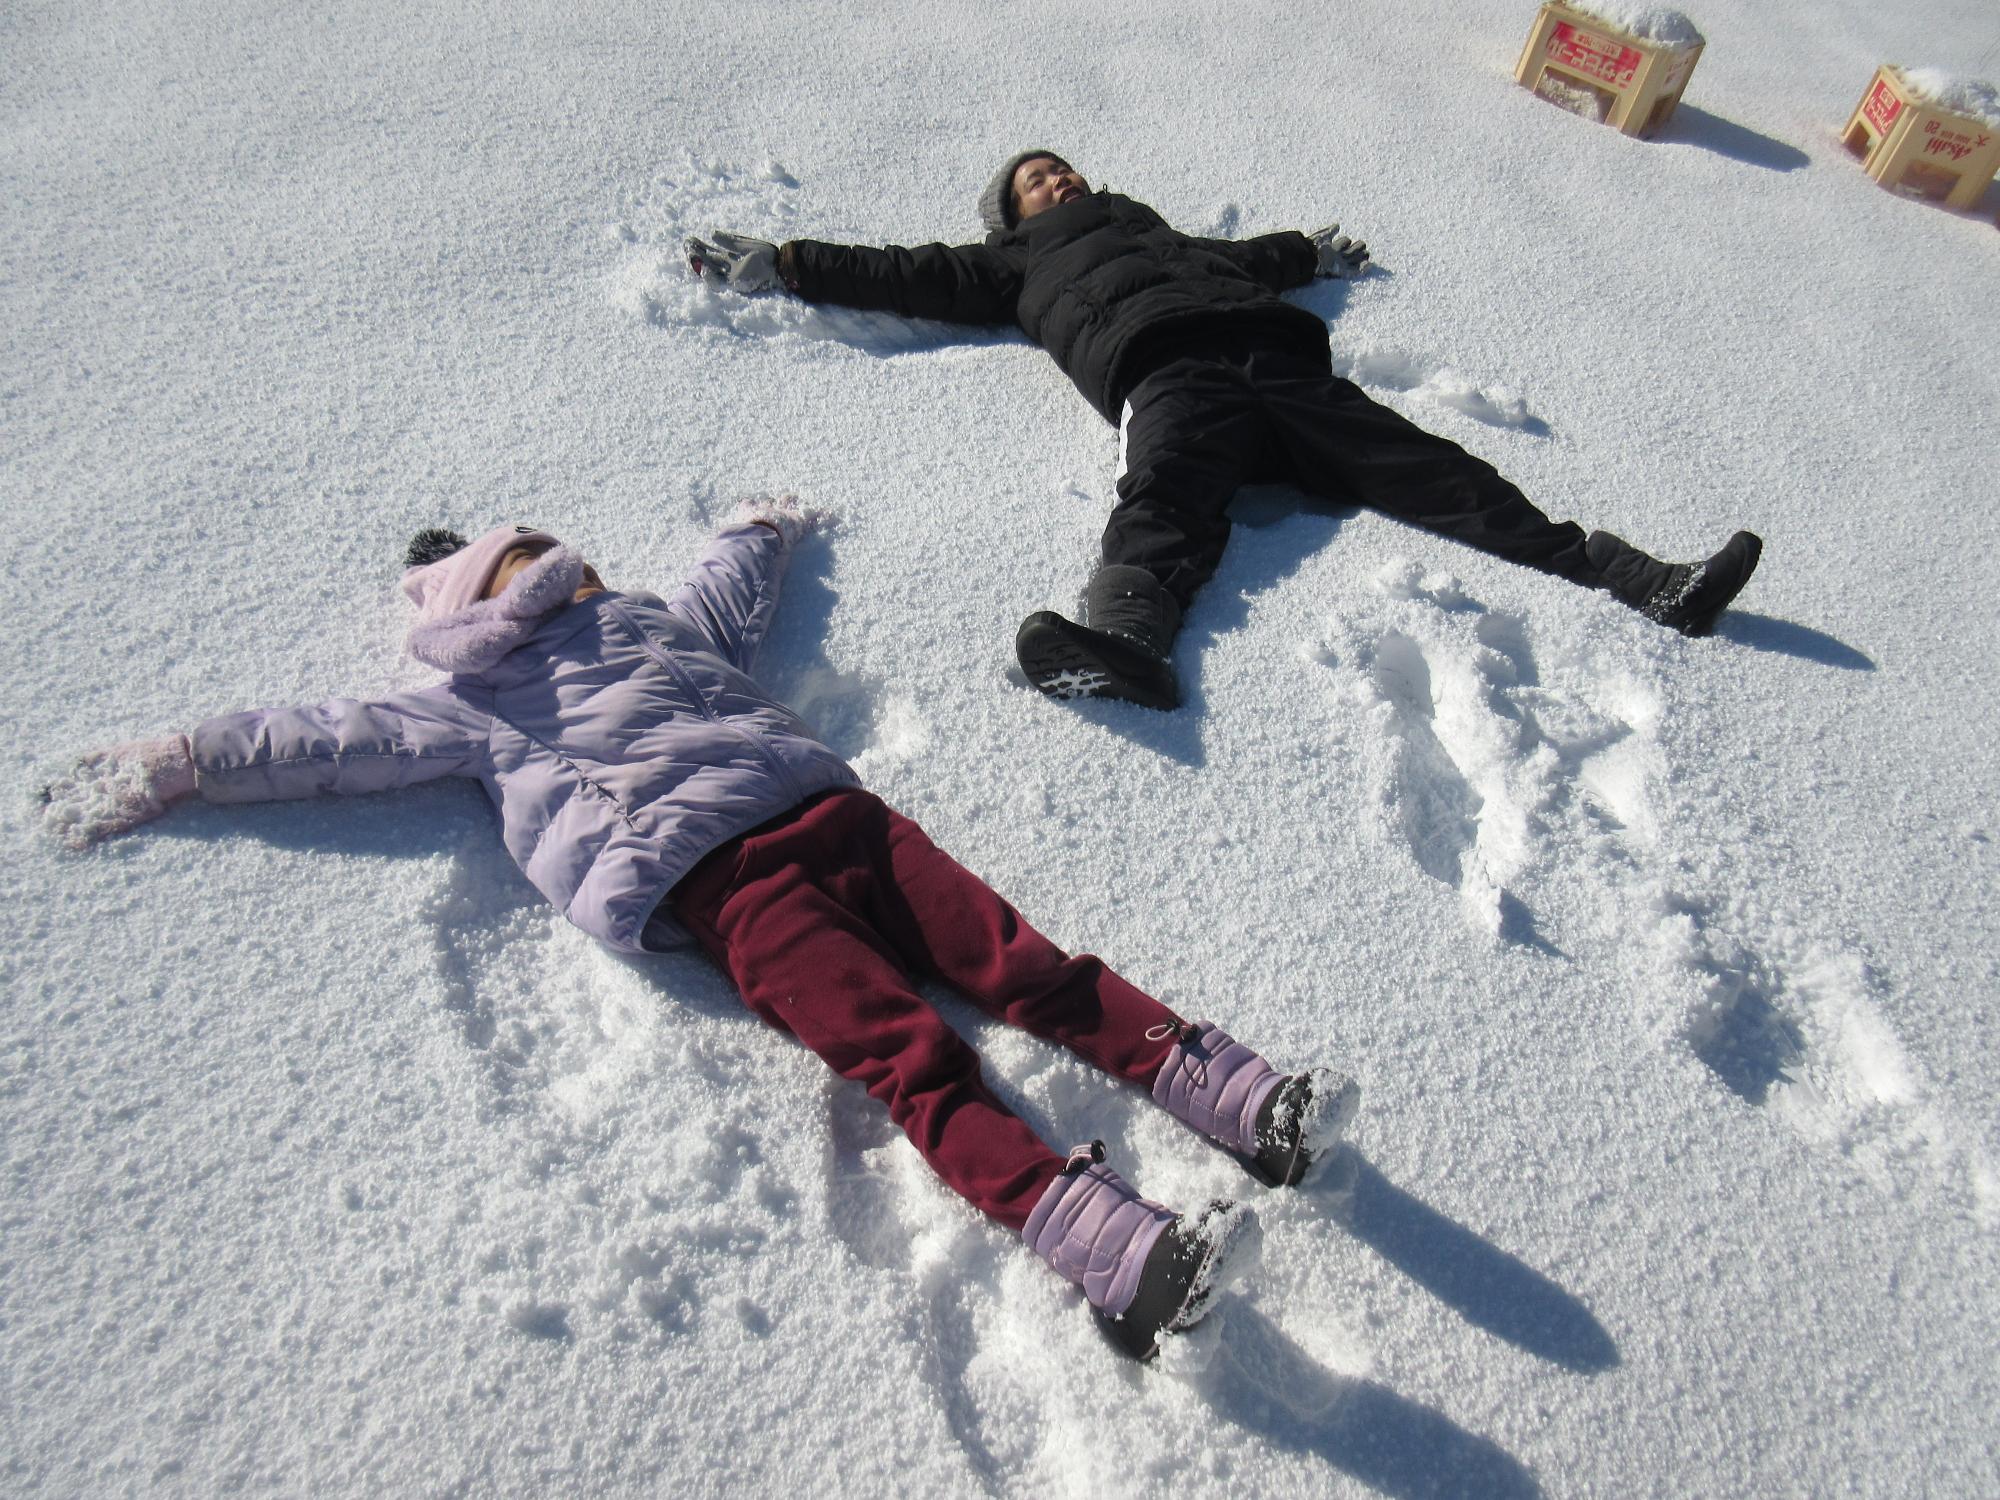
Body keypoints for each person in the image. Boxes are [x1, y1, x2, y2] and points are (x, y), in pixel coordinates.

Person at [39, 500, 1358, 1361]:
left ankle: (1245, 1103)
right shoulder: (470, 697)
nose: (565, 564)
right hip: (731, 889)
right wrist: (189, 759)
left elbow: (727, 598)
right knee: (914, 1059)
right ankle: (1116, 1252)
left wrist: (761, 531)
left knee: (1024, 969)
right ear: (487, 597)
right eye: (531, 557)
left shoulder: (641, 621)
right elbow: (339, 740)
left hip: (839, 820)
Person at [687, 151, 1763, 710]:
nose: (1053, 180)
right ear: (1008, 216)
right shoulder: (1006, 267)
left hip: (1274, 363)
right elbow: (901, 274)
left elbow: (1248, 261)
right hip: (1167, 377)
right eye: (1032, 181)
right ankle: (1124, 647)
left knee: (1442, 474)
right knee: (1162, 494)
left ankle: (1640, 581)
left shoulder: (1153, 230)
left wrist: (1311, 253)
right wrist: (784, 263)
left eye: (1058, 169)